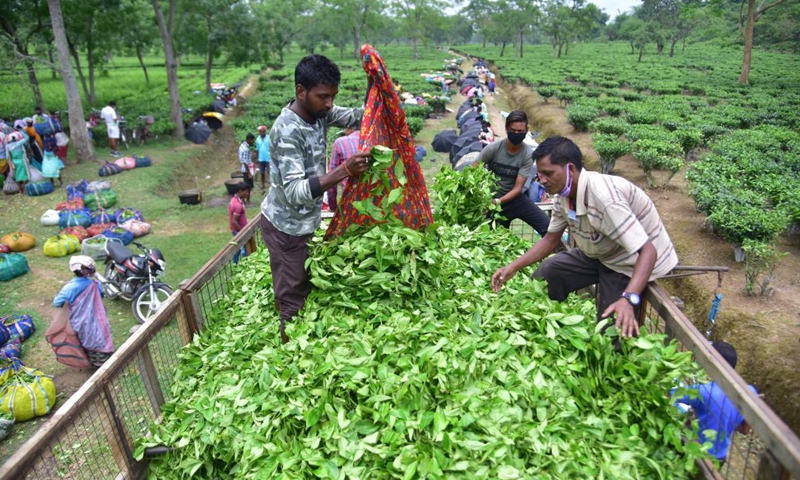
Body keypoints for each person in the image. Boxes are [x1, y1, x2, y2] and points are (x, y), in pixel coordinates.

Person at [491, 136, 678, 339]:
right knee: (549, 273)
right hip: (601, 250)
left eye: (548, 174)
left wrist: (628, 297)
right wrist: (512, 268)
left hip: (628, 261)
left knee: (610, 330)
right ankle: (547, 322)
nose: (542, 180)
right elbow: (550, 239)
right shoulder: (562, 195)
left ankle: (616, 352)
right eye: (540, 174)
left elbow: (648, 251)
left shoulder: (604, 199)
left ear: (570, 169)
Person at [260, 54, 371, 343]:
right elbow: (296, 193)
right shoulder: (287, 131)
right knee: (292, 297)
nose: (330, 103)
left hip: (304, 223)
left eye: (333, 96)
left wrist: (374, 84)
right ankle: (290, 360)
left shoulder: (319, 113)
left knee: (299, 281)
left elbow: (357, 116)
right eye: (324, 96)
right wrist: (344, 171)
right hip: (286, 227)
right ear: (301, 91)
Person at [672, 342, 756, 465]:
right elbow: (744, 429)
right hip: (720, 457)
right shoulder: (749, 391)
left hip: (697, 452)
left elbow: (671, 394)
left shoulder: (705, 391)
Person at [478, 110, 550, 237]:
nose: (516, 134)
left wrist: (497, 202)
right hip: (491, 201)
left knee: (547, 227)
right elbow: (471, 172)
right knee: (493, 238)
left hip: (515, 199)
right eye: (513, 130)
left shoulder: (527, 154)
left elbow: (518, 188)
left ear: (526, 131)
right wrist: (486, 200)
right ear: (506, 129)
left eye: (520, 132)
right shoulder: (493, 148)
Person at [53, 256, 114, 367]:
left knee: (86, 337)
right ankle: (104, 358)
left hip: (80, 321)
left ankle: (93, 361)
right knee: (100, 336)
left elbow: (57, 302)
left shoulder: (69, 288)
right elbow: (101, 295)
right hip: (97, 318)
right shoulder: (95, 284)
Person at [326, 126, 360, 211]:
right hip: (375, 205)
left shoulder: (340, 142)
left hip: (350, 204)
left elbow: (332, 179)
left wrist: (333, 207)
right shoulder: (375, 140)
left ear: (349, 128)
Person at [229, 182, 250, 264]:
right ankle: (246, 264)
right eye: (246, 192)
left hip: (236, 230)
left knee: (237, 247)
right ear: (240, 191)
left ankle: (235, 263)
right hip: (238, 231)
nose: (247, 194)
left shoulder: (235, 199)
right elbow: (234, 221)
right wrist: (242, 232)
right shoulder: (238, 205)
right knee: (244, 249)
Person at [239, 133, 255, 204]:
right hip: (246, 170)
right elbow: (245, 162)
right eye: (252, 140)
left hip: (244, 169)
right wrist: (249, 173)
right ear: (249, 139)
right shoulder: (245, 149)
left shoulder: (242, 145)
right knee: (248, 187)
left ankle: (244, 200)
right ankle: (247, 201)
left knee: (245, 186)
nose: (253, 142)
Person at [255, 125, 270, 192]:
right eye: (261, 132)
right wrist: (257, 158)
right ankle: (263, 184)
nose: (262, 133)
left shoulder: (269, 138)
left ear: (265, 131)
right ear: (259, 132)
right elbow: (257, 149)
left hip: (268, 158)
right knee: (262, 172)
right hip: (261, 158)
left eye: (263, 131)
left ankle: (271, 184)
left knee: (270, 172)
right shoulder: (258, 139)